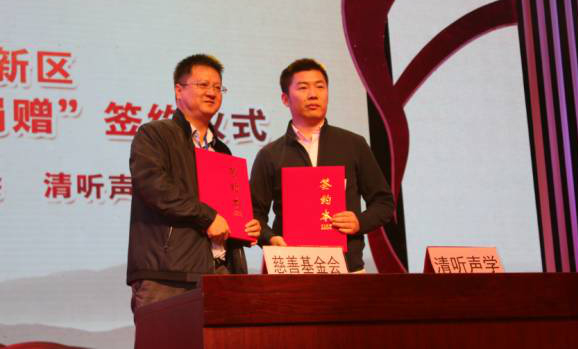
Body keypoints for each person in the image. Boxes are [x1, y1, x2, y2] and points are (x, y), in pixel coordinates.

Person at [127, 54, 261, 312]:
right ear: (179, 90)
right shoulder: (154, 134)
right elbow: (154, 186)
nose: (211, 92)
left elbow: (226, 212)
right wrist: (208, 217)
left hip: (220, 273)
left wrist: (244, 229)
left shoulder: (222, 150)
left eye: (217, 87)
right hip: (168, 273)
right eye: (203, 85)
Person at [250, 58, 394, 273]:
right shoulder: (270, 155)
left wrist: (359, 222)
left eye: (320, 86)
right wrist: (270, 238)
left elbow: (384, 203)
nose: (313, 94)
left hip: (347, 268)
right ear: (285, 99)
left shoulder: (353, 144)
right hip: (291, 268)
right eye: (303, 87)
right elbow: (254, 214)